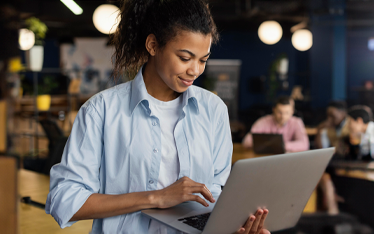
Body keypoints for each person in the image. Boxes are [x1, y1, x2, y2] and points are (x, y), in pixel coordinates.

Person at [45, 1, 270, 234]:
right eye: (185, 58)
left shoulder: (213, 110)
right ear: (153, 45)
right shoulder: (101, 111)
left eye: (203, 60)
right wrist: (156, 197)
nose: (195, 70)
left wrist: (237, 226)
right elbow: (64, 200)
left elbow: (216, 194)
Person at [242, 96, 309, 152]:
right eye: (280, 112)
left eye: (287, 113)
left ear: (292, 112)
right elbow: (247, 141)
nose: (283, 116)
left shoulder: (297, 122)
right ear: (274, 109)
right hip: (266, 159)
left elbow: (304, 144)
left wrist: (280, 145)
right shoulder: (263, 121)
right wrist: (274, 145)